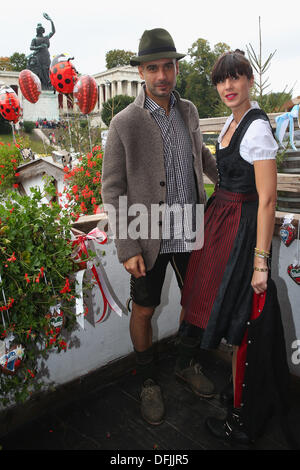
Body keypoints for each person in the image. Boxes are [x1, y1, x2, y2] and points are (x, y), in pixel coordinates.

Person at [102, 28, 218, 426]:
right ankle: (148, 380)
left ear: (175, 68)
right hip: (146, 230)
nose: (162, 75)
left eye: (168, 66)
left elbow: (200, 153)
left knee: (196, 302)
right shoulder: (123, 123)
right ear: (141, 72)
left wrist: (231, 179)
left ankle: (186, 363)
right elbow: (112, 188)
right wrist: (126, 245)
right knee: (145, 309)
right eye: (153, 68)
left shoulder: (188, 111)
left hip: (189, 224)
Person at [179, 50, 292, 446]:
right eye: (222, 80)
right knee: (233, 318)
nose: (228, 86)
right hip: (223, 224)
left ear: (249, 81)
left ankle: (244, 417)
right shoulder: (232, 121)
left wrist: (262, 263)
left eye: (236, 78)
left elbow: (266, 199)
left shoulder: (257, 129)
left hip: (244, 231)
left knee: (246, 322)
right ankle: (240, 400)